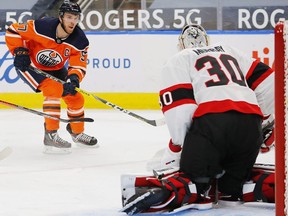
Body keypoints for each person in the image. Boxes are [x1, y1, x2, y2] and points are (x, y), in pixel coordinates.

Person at [120, 24, 275, 214]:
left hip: (213, 125)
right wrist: (264, 121)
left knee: (196, 178)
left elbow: (180, 109)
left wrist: (178, 148)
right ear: (207, 40)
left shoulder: (180, 59)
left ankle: (181, 191)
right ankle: (256, 186)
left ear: (181, 44)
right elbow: (270, 81)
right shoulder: (229, 50)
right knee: (229, 189)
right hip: (250, 128)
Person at [5, 0, 97, 153]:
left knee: (75, 97)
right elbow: (13, 30)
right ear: (61, 17)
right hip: (30, 66)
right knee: (53, 90)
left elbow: (78, 65)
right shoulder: (42, 26)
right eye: (69, 17)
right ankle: (50, 135)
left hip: (55, 68)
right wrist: (19, 51)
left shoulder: (80, 40)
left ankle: (77, 132)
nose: (73, 21)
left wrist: (73, 78)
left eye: (76, 18)